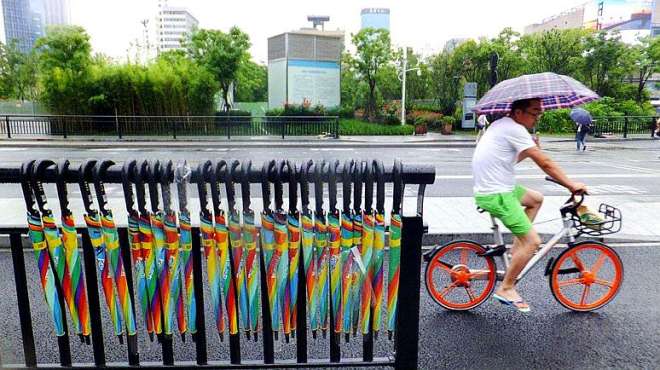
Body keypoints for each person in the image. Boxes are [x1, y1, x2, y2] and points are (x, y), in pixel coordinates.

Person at [471, 98, 588, 312]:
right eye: (534, 112)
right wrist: (571, 185)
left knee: (536, 199)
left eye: (539, 112)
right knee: (533, 242)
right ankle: (506, 288)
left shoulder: (501, 125)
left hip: (499, 188)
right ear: (518, 112)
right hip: (497, 194)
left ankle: (515, 255)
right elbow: (545, 163)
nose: (538, 116)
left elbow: (507, 159)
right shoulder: (515, 129)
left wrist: (528, 149)